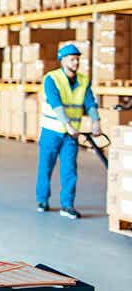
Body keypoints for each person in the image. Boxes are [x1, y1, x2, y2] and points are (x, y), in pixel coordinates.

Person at [36, 44, 101, 220]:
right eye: (72, 59)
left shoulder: (83, 80)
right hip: (51, 131)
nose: (76, 62)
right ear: (62, 60)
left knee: (70, 170)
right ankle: (42, 200)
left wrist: (96, 121)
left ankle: (67, 205)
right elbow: (55, 103)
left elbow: (90, 102)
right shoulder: (52, 79)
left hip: (70, 135)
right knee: (45, 167)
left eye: (77, 58)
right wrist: (68, 124)